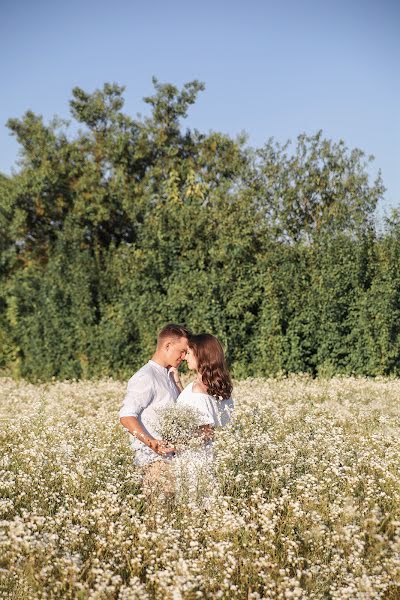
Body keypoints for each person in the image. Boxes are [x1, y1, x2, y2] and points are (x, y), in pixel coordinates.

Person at [119, 323, 190, 496]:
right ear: (167, 346)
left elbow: (184, 408)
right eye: (181, 351)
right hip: (153, 462)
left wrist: (176, 380)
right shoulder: (146, 376)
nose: (184, 356)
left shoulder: (168, 374)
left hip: (170, 460)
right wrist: (152, 444)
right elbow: (126, 416)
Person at [171, 333, 234, 502]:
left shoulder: (198, 389)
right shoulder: (221, 387)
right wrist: (177, 382)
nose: (185, 358)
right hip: (214, 459)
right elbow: (195, 408)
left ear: (201, 355)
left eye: (189, 353)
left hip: (196, 463)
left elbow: (206, 432)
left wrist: (175, 444)